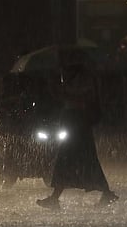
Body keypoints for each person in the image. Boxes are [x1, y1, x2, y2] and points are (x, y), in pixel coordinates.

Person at [36, 50, 118, 210]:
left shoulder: (82, 77)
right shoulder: (70, 75)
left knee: (73, 159)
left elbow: (80, 98)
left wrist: (62, 92)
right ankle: (56, 197)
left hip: (78, 121)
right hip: (73, 120)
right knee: (73, 159)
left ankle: (56, 198)